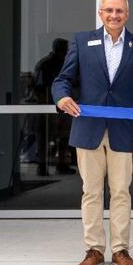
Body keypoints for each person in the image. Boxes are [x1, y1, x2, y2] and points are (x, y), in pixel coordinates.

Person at [52, 0, 133, 265]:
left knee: (121, 192)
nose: (114, 15)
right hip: (89, 130)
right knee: (91, 192)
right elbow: (62, 80)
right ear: (100, 13)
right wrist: (62, 98)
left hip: (123, 132)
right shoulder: (82, 42)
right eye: (109, 10)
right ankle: (94, 249)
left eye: (119, 11)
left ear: (127, 14)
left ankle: (121, 249)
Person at [34, 38, 75, 175]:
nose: (66, 52)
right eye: (65, 49)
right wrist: (47, 107)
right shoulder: (45, 65)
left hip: (64, 106)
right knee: (45, 136)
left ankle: (61, 164)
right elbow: (39, 88)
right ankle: (42, 165)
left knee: (64, 136)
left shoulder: (65, 64)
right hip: (47, 107)